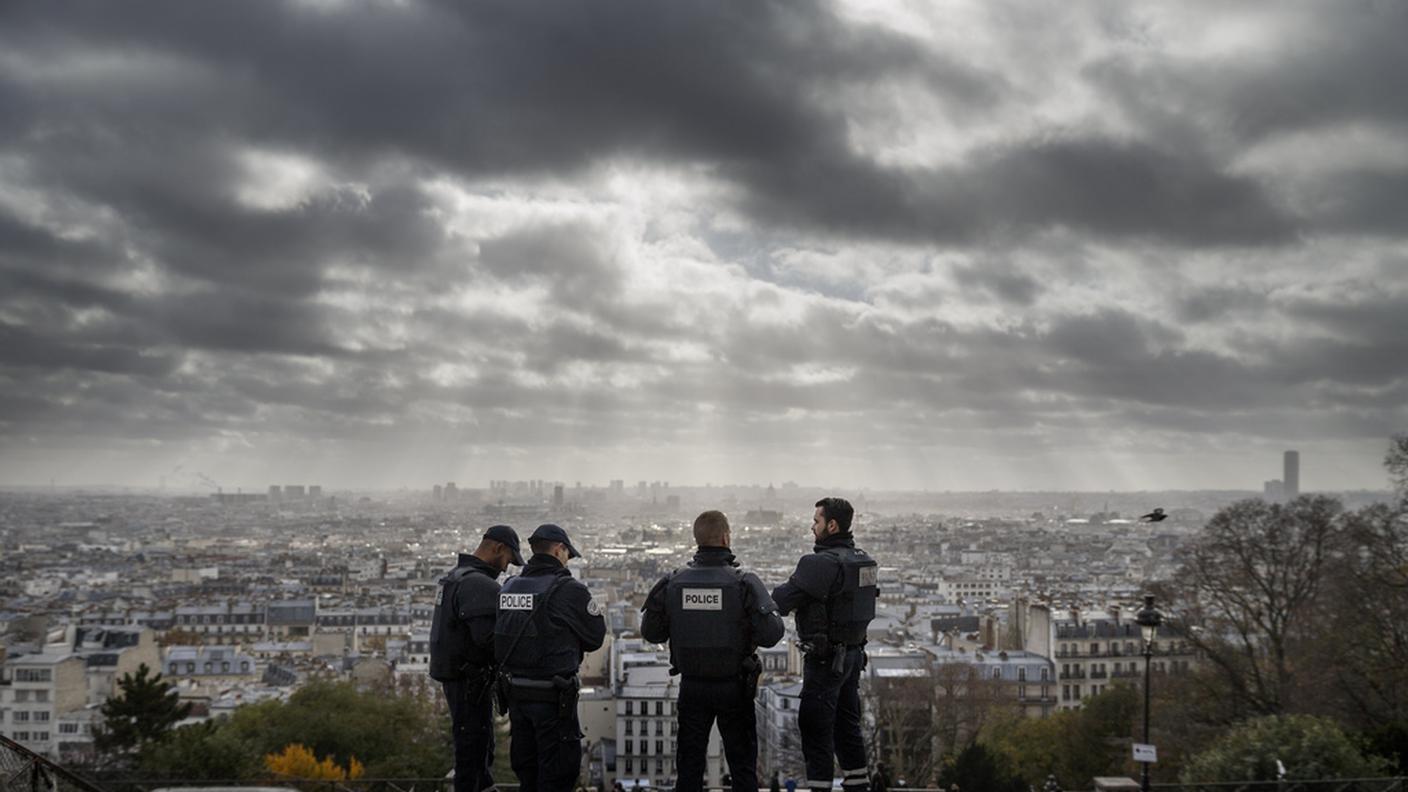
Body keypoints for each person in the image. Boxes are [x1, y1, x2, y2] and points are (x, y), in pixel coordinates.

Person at [641, 510, 785, 792]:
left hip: (692, 686)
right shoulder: (744, 583)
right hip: (734, 686)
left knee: (689, 767)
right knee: (742, 767)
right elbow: (772, 635)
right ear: (726, 537)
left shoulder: (673, 582)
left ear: (697, 540)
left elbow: (651, 632)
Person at [772, 497, 878, 792]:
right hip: (854, 655)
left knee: (815, 726)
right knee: (848, 726)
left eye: (816, 521)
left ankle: (819, 787)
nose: (812, 526)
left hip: (825, 659)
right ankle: (858, 784)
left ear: (832, 525)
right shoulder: (863, 560)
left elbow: (780, 601)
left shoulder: (819, 563)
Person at [495, 523, 607, 792]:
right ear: (559, 550)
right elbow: (595, 637)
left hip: (517, 698)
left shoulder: (509, 588)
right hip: (553, 698)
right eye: (568, 554)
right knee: (557, 773)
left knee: (527, 772)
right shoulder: (569, 590)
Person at [429, 525, 526, 792]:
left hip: (457, 676)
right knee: (474, 747)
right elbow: (489, 640)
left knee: (472, 745)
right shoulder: (478, 584)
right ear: (498, 548)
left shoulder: (454, 577)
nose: (507, 568)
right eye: (509, 559)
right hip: (471, 680)